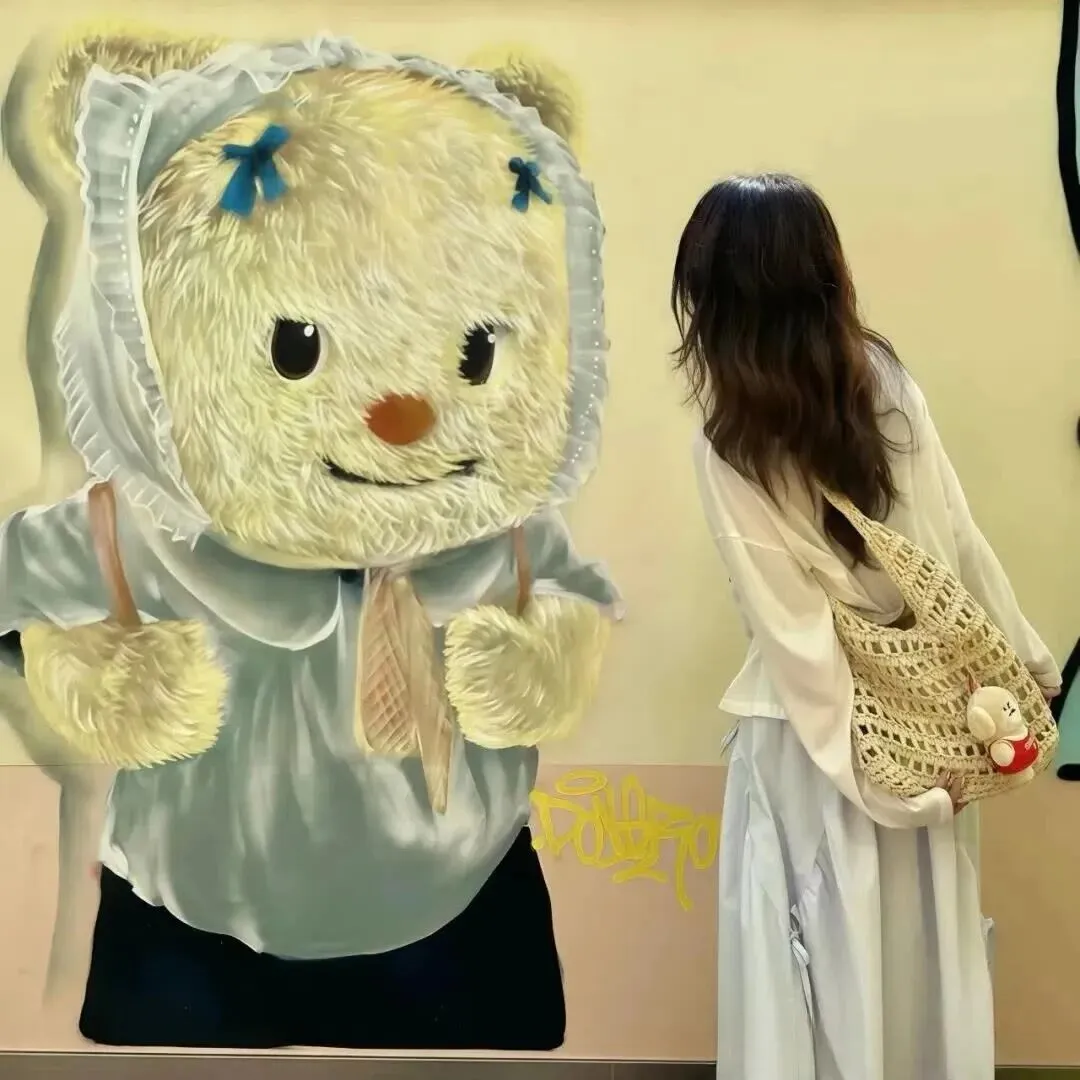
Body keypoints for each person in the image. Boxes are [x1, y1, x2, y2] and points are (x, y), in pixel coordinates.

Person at [671, 173, 1061, 1080]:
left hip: (816, 757)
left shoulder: (728, 444)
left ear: (720, 299)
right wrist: (1026, 668)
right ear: (823, 275)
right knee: (921, 971)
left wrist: (881, 789)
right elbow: (955, 552)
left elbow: (798, 640)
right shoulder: (886, 385)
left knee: (811, 988)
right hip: (931, 734)